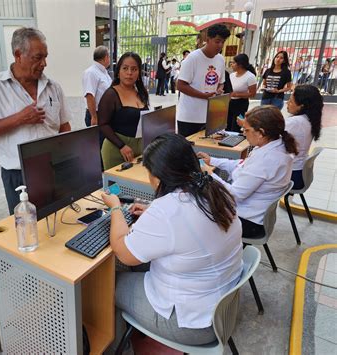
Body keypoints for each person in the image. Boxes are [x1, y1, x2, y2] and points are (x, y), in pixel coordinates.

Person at [101, 132, 243, 346]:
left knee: (104, 283)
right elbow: (189, 220)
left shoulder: (167, 211)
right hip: (220, 307)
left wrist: (115, 208)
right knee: (140, 263)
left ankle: (117, 346)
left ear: (157, 177)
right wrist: (152, 212)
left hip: (191, 324)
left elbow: (123, 251)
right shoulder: (216, 188)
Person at [0, 28, 71, 215]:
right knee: (25, 228)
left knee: (57, 221)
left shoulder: (53, 87)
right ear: (18, 55)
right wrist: (20, 118)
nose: (44, 63)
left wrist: (65, 163)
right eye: (38, 57)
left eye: (45, 57)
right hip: (17, 175)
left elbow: (64, 127)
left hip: (52, 169)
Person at [199, 105, 297, 238]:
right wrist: (212, 161)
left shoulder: (267, 159)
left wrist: (209, 175)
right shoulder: (273, 145)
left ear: (261, 133)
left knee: (196, 209)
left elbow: (233, 195)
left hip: (248, 222)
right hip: (254, 213)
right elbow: (242, 165)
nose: (243, 133)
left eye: (246, 130)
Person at [176, 24, 230, 137]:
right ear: (208, 39)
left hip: (210, 116)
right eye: (217, 41)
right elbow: (180, 85)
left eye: (223, 42)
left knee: (206, 151)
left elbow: (221, 82)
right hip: (190, 117)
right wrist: (203, 95)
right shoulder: (193, 58)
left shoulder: (220, 59)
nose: (220, 45)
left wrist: (219, 90)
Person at [98, 52, 149, 170]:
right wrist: (121, 146)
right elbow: (102, 124)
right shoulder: (111, 94)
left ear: (139, 72)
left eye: (134, 69)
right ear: (118, 72)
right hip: (116, 149)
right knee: (117, 187)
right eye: (125, 68)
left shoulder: (141, 93)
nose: (129, 73)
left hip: (141, 149)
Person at [285, 85, 323, 190]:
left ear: (301, 106)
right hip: (299, 172)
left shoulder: (295, 122)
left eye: (291, 101)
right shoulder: (309, 119)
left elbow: (270, 139)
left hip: (291, 175)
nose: (287, 103)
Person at [82, 45, 111, 127]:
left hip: (106, 114)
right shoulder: (91, 72)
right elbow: (90, 95)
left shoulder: (104, 72)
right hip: (96, 114)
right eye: (109, 56)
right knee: (98, 139)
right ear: (106, 57)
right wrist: (94, 117)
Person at [227, 53, 257, 132]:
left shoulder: (250, 76)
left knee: (236, 126)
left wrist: (237, 94)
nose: (231, 65)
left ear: (240, 65)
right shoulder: (232, 75)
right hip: (230, 102)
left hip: (241, 104)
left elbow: (252, 94)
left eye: (233, 63)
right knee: (227, 125)